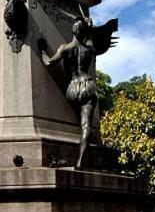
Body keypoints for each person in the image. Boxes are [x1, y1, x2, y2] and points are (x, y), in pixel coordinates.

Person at [40, 11, 118, 168]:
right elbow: (90, 40)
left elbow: (48, 63)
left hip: (73, 88)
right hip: (88, 86)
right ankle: (80, 161)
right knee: (85, 125)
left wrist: (41, 50)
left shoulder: (65, 48)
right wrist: (89, 28)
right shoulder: (89, 49)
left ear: (73, 30)